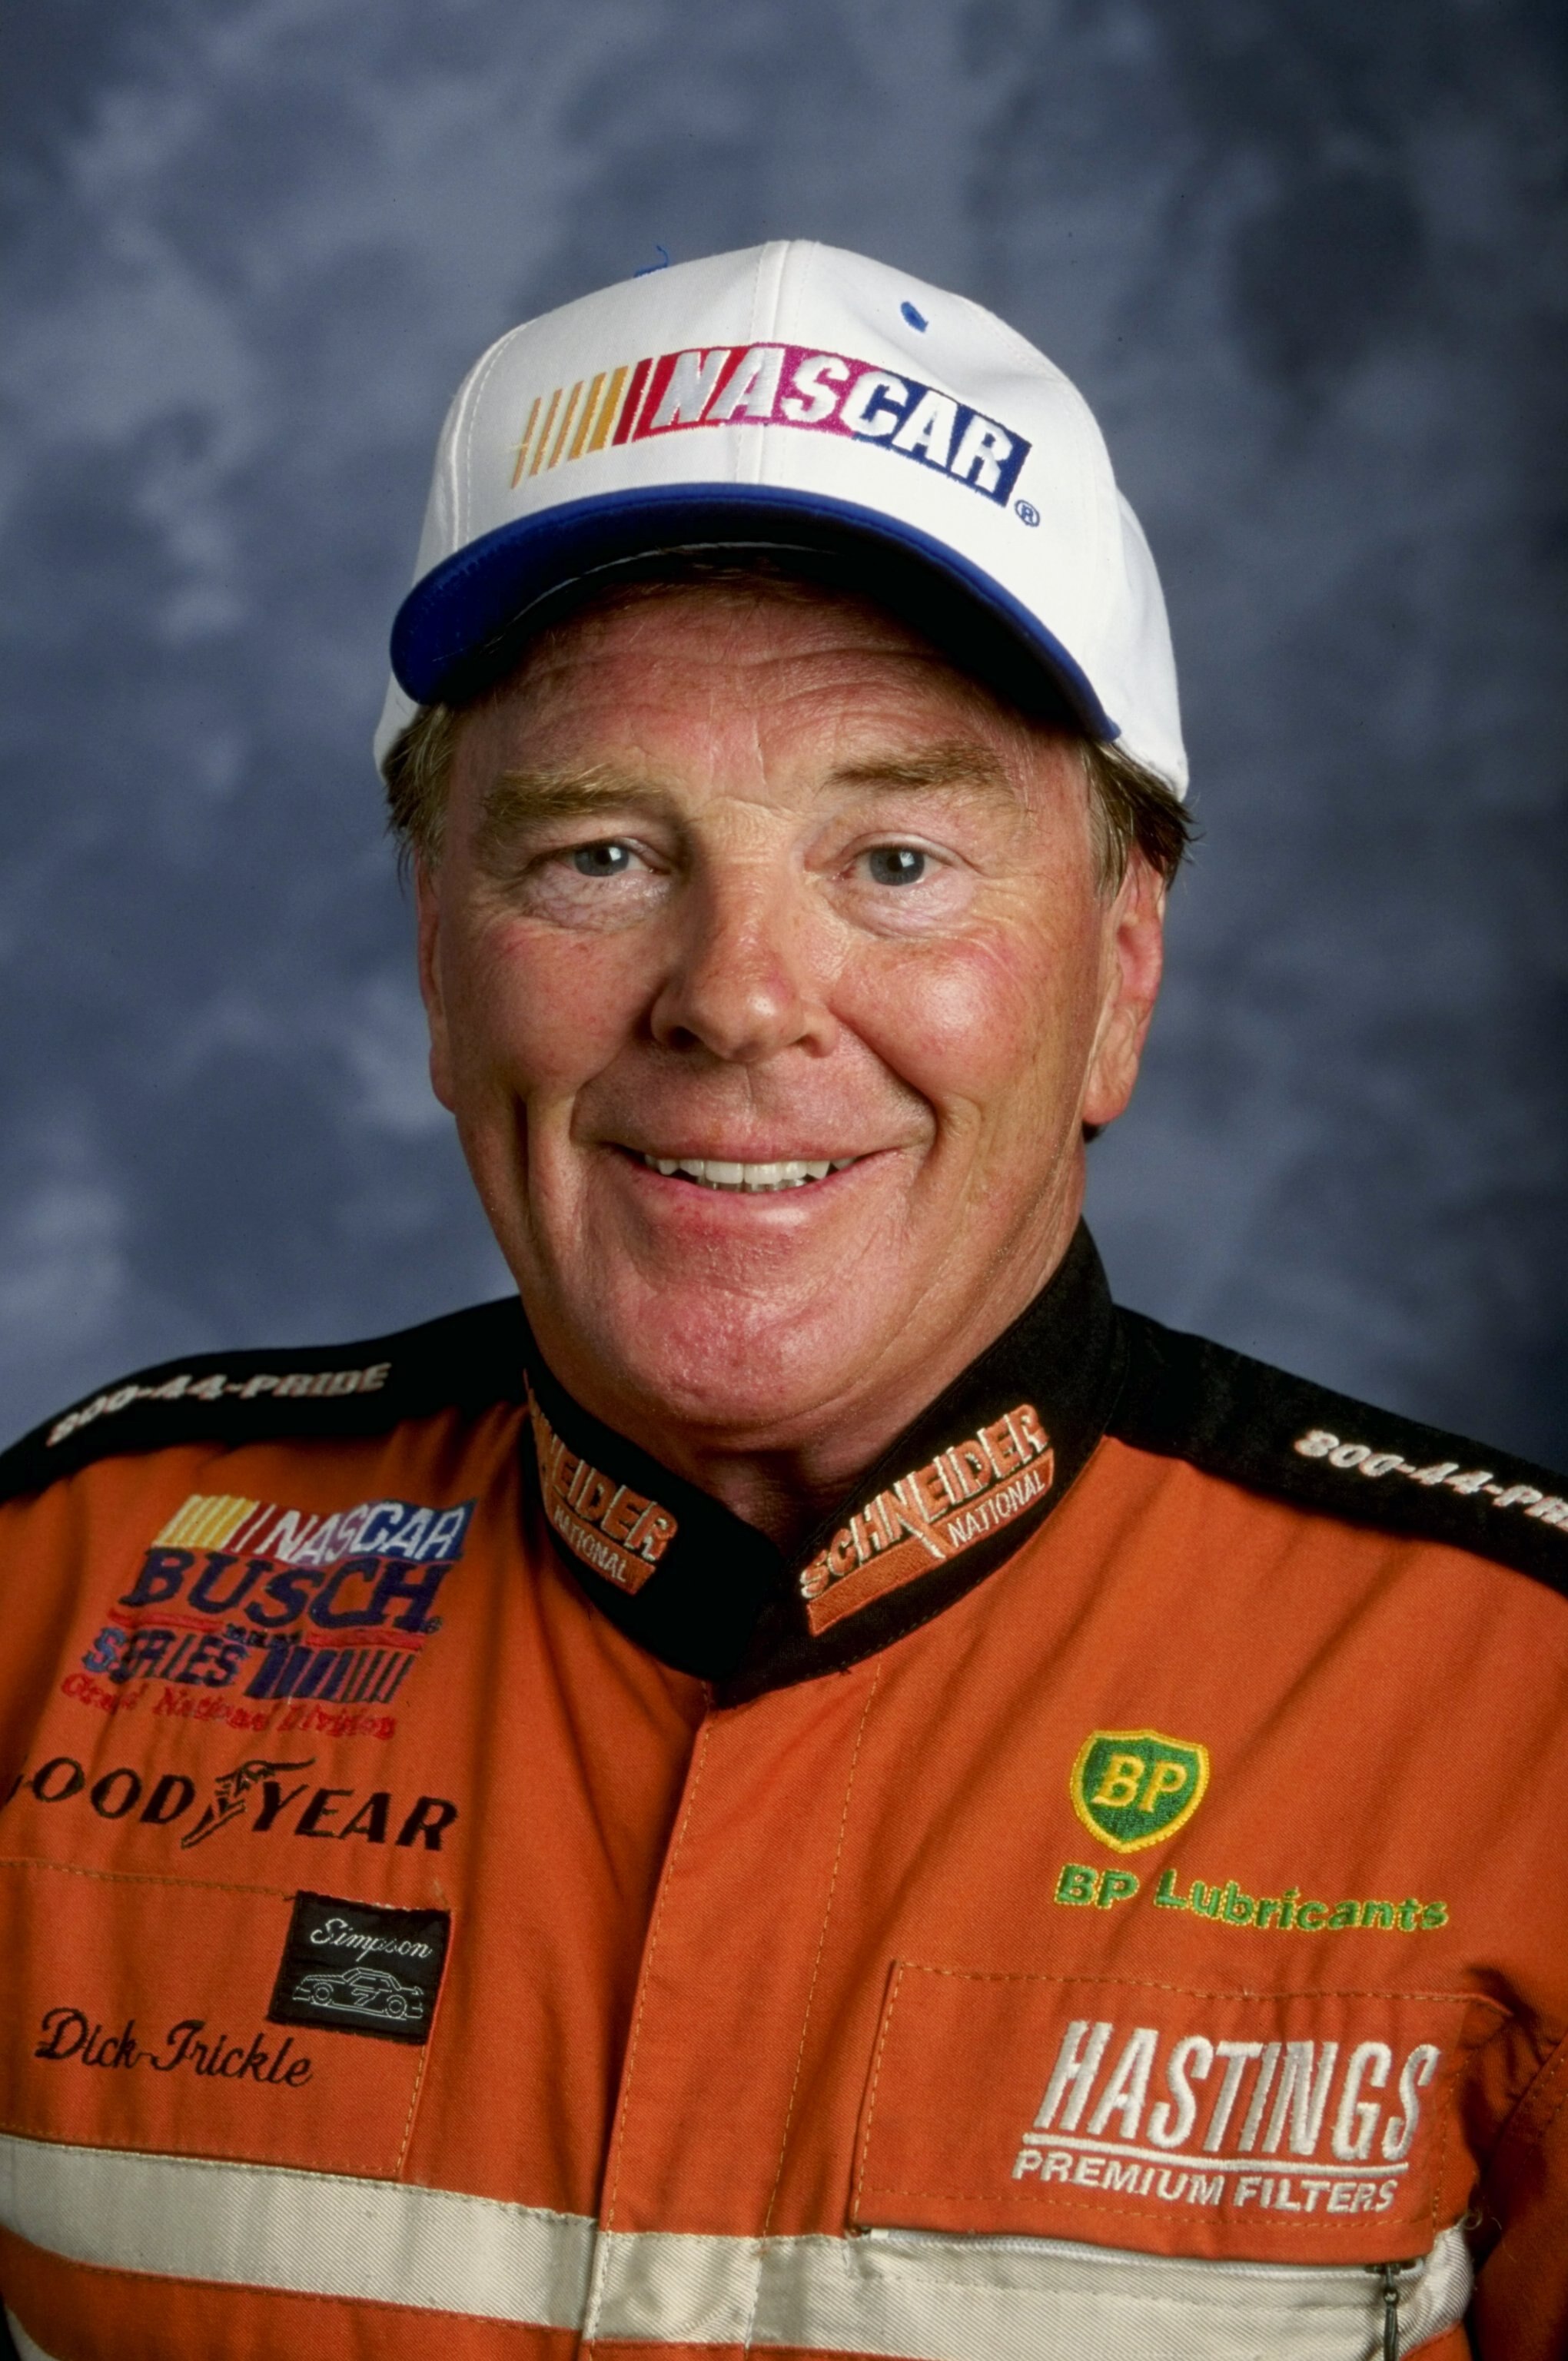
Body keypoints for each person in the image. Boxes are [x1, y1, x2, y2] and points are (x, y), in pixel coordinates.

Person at [0, 241, 1563, 2361]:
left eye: (896, 861)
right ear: (437, 962)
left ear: (1120, 968)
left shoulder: (1517, 1712)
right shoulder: (66, 1595)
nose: (735, 999)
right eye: (598, 858)